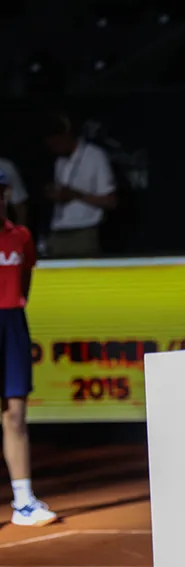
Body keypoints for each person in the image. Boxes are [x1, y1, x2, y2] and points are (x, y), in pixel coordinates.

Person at [0, 169, 57, 527]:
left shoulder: (20, 237)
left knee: (16, 416)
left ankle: (23, 501)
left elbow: (25, 284)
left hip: (12, 325)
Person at [43, 113, 118, 258]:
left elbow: (111, 201)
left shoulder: (95, 156)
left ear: (66, 136)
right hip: (58, 232)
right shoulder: (59, 161)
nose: (53, 149)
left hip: (83, 233)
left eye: (55, 144)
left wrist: (75, 195)